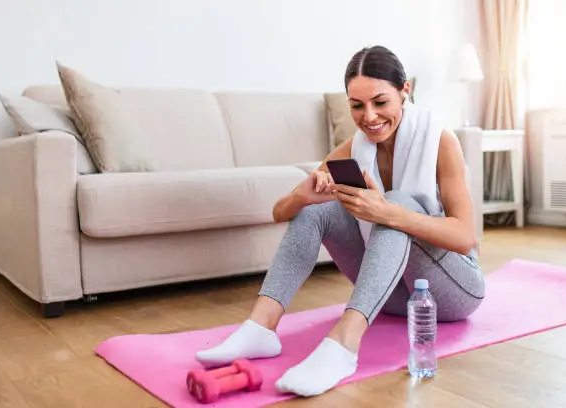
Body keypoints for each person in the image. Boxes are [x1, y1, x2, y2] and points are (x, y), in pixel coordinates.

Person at [194, 45, 486, 397]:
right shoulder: (352, 149)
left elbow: (465, 236)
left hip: (451, 292)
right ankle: (260, 328)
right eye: (357, 105)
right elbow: (279, 212)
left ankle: (343, 346)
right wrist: (303, 195)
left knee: (396, 202)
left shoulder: (440, 140)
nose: (370, 117)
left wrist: (387, 212)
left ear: (404, 91)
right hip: (392, 297)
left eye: (381, 102)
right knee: (320, 207)